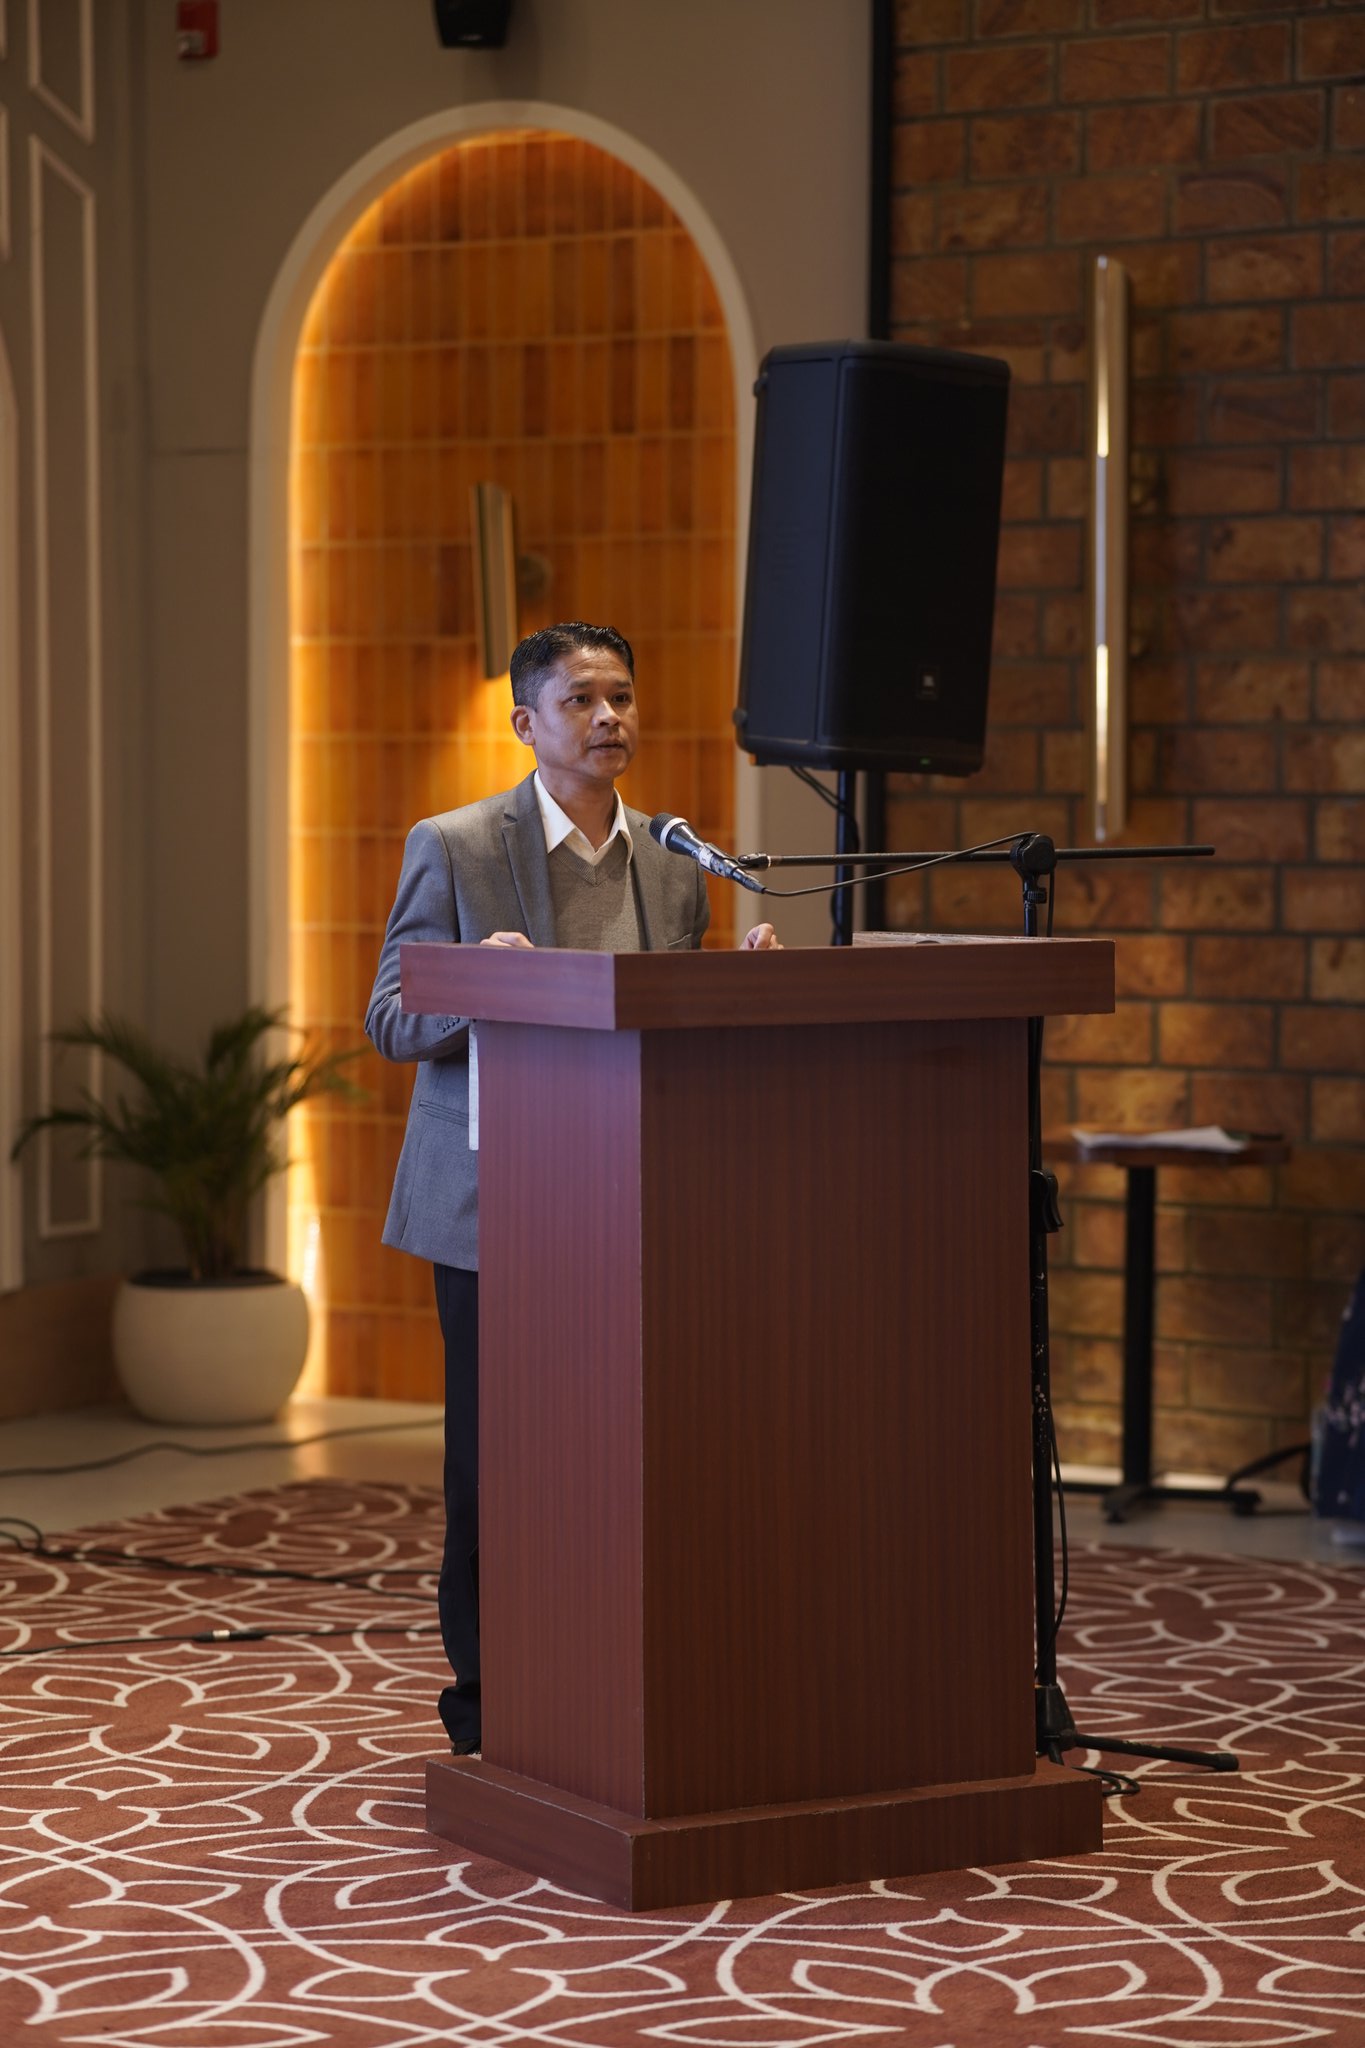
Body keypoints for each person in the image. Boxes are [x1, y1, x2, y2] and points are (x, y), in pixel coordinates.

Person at [365, 621, 780, 1753]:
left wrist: (740, 996)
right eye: (582, 700)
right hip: (496, 1205)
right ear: (526, 722)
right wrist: (480, 985)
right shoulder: (455, 846)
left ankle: (616, 1679)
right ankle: (489, 1704)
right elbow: (391, 1018)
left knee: (632, 1455)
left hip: (634, 1202)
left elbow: (666, 1023)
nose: (609, 718)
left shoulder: (674, 858)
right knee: (498, 1466)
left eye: (623, 698)